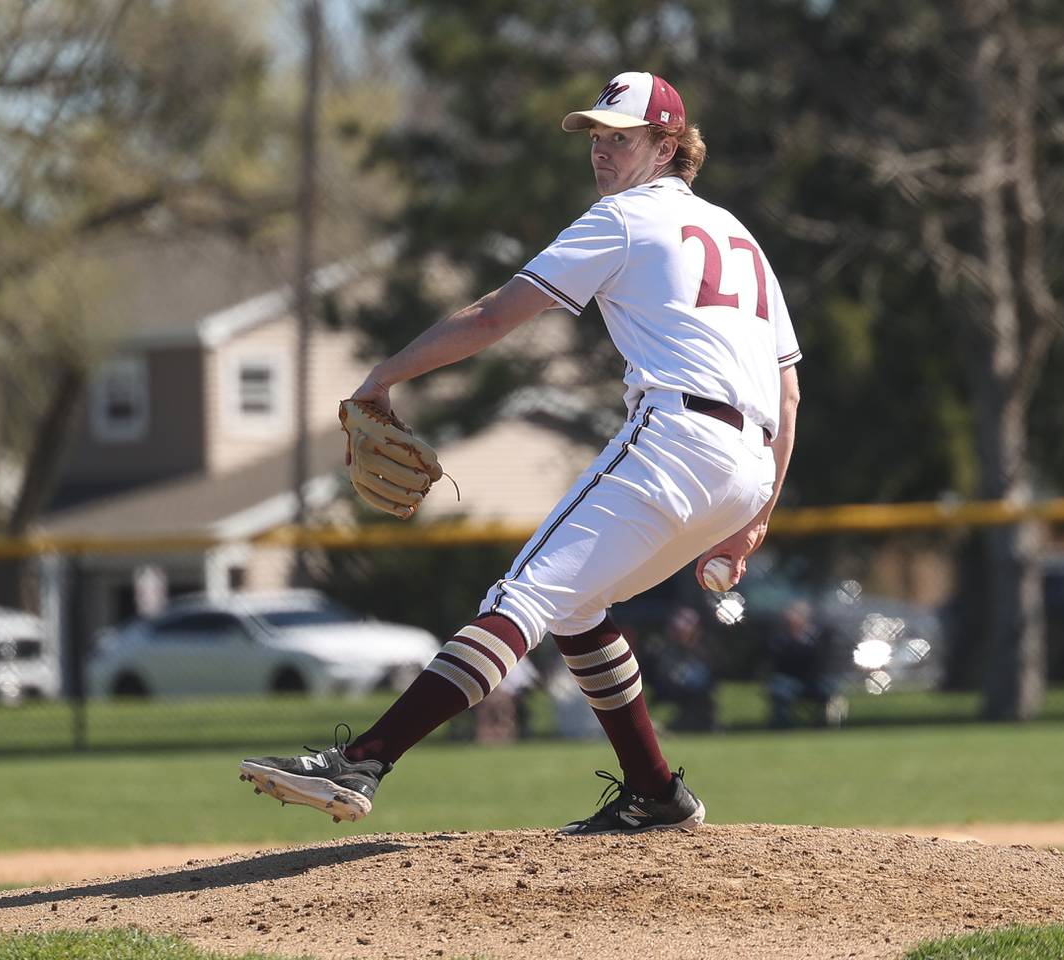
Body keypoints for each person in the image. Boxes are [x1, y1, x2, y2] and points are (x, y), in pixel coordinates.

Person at [240, 70, 801, 836]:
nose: (602, 153)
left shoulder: (624, 219)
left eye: (621, 138)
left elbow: (493, 317)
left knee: (521, 599)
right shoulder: (740, 236)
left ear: (668, 145)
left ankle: (364, 760)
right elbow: (789, 396)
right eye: (596, 138)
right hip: (746, 463)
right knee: (576, 608)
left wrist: (382, 377)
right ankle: (656, 793)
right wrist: (753, 520)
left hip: (675, 436)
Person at [766, 598, 842, 728]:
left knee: (828, 687)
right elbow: (779, 661)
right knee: (780, 688)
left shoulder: (819, 636)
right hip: (790, 678)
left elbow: (821, 660)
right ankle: (782, 725)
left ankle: (826, 722)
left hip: (814, 679)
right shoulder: (781, 637)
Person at [646, 606, 718, 732]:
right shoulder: (658, 650)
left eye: (688, 623)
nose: (681, 627)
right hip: (666, 694)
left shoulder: (704, 651)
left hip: (696, 696)